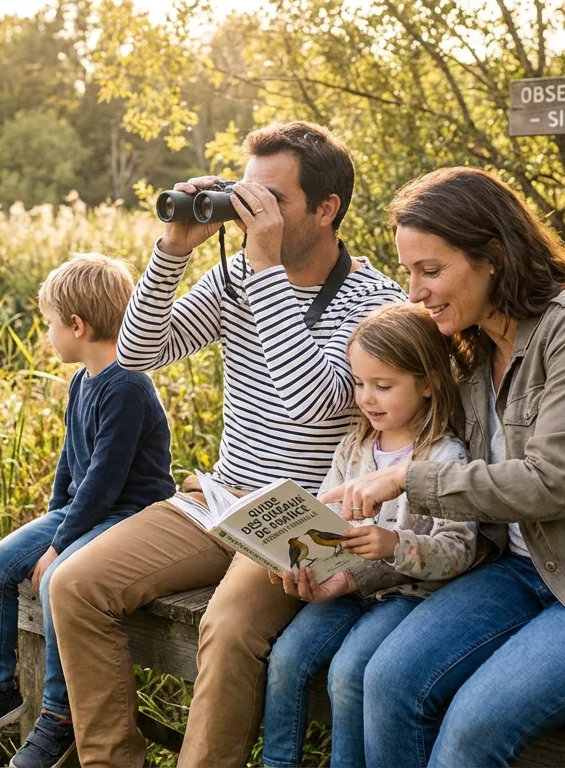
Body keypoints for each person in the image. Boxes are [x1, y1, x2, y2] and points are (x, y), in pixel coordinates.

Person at [323, 167, 565, 767]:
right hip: (519, 573)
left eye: (431, 271)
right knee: (387, 681)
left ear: (495, 259)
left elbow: (548, 484)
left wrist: (405, 477)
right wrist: (352, 572)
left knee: (474, 725)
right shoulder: (473, 349)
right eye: (410, 273)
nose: (415, 292)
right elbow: (456, 533)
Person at [48, 122, 408, 768]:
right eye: (246, 194)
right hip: (219, 498)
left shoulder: (374, 300)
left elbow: (313, 403)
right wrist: (174, 249)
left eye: (271, 199)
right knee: (75, 585)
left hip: (301, 515)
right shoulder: (238, 274)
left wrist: (266, 269)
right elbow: (138, 352)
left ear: (326, 210)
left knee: (228, 627)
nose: (251, 213)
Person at [0, 254, 176, 768]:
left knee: (55, 580)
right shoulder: (82, 381)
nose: (47, 333)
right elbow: (71, 470)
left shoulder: (128, 385)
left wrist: (58, 546)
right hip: (86, 509)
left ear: (77, 325)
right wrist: (48, 527)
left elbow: (105, 483)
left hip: (133, 515)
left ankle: (58, 714)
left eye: (50, 322)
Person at [260, 302, 493, 768]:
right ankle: (278, 762)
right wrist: (298, 558)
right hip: (347, 588)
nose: (367, 398)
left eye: (383, 386)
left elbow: (458, 550)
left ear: (427, 383)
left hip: (408, 597)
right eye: (360, 383)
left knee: (349, 674)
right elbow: (324, 516)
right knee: (286, 657)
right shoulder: (355, 446)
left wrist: (394, 546)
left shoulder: (444, 456)